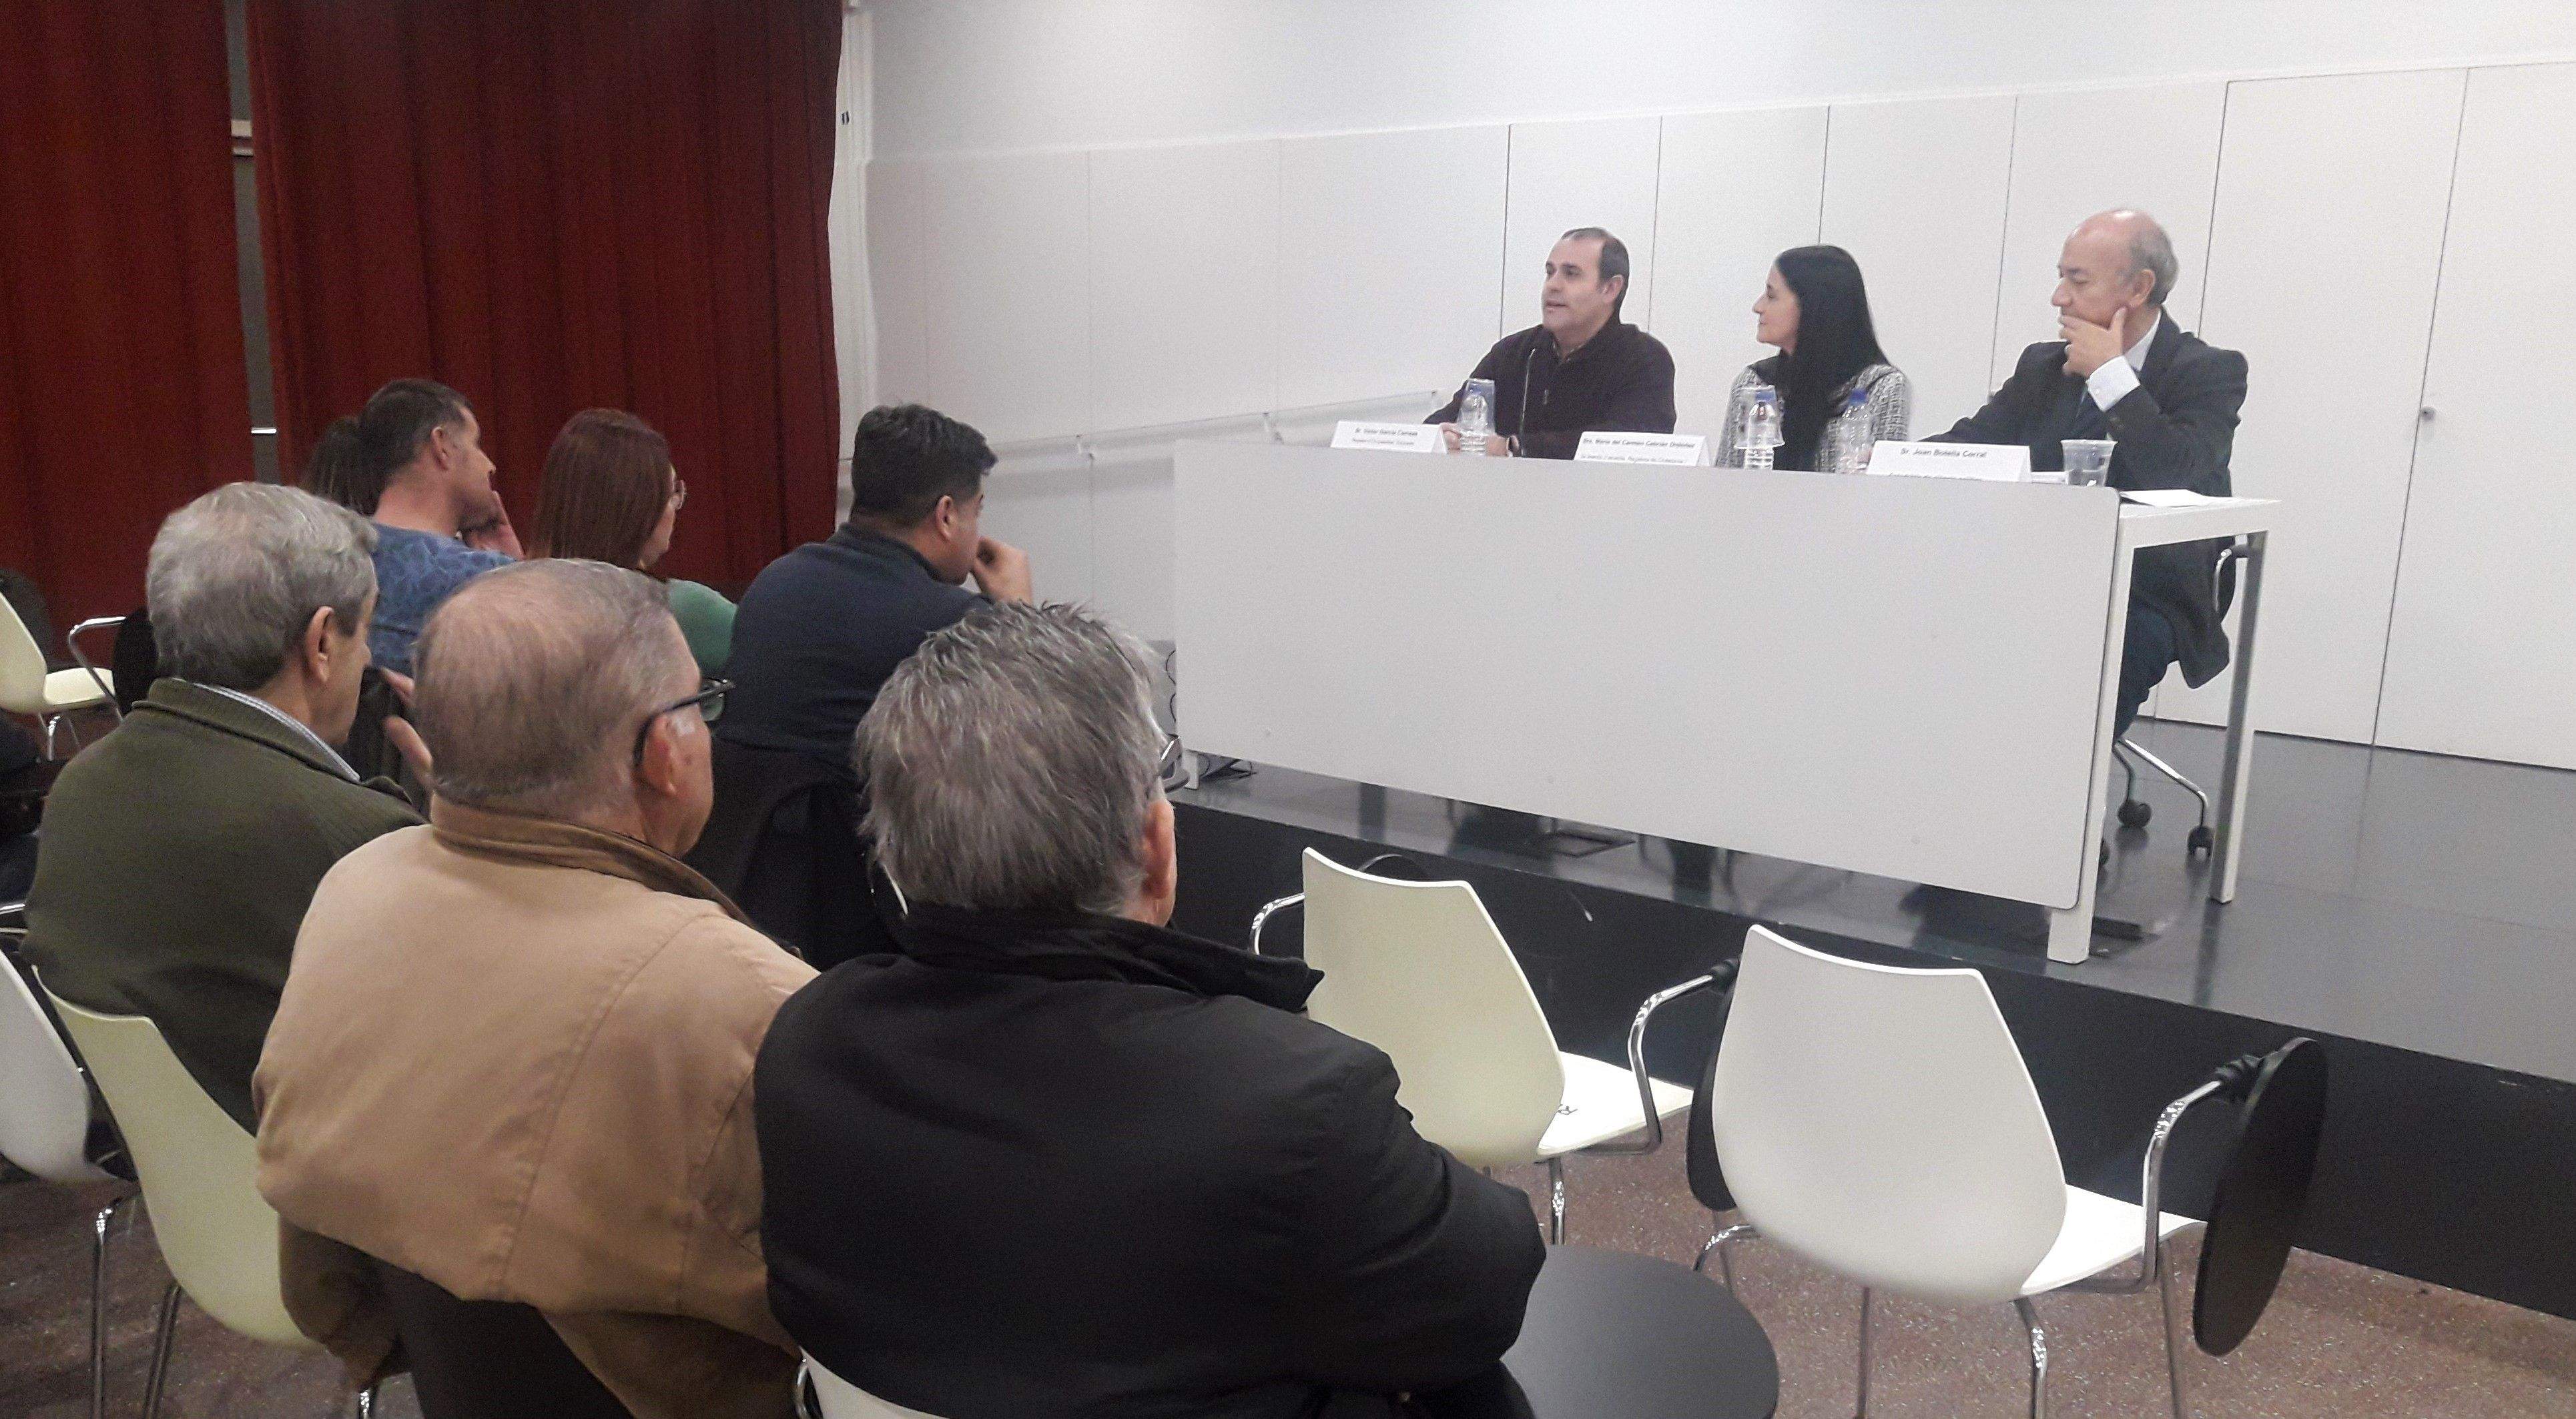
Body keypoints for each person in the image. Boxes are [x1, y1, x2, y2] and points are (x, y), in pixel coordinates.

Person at [756, 603, 1546, 1418]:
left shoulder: (805, 1044)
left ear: (895, 858)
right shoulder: (1288, 1106)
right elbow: (1487, 1288)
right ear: (1154, 847)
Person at [254, 560, 814, 1419]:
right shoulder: (744, 1001)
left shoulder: (351, 891)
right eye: (700, 706)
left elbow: (331, 1291)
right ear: (663, 752)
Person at [21, 485, 420, 1129]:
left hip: (171, 1173)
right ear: (321, 643)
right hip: (328, 1203)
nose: (369, 657)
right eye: (365, 630)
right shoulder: (360, 840)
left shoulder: (77, 786)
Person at [1932, 209, 2250, 733]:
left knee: (2106, 663)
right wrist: (1886, 459)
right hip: (2036, 574)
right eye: (2062, 277)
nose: (2059, 297)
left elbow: (2178, 468)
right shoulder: (2043, 365)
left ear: (2139, 288)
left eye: (2077, 280)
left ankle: (2064, 796)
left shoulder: (2208, 371)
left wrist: (2110, 376)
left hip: (2147, 588)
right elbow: (1974, 439)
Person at [717, 403, 1030, 780]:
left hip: (745, 836)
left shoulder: (772, 584)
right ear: (946, 516)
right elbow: (1032, 751)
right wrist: (1018, 619)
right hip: (866, 837)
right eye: (976, 512)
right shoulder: (956, 626)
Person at [309, 378, 519, 674]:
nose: (489, 465)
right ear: (442, 445)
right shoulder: (483, 578)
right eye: (476, 443)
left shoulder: (321, 562)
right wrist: (518, 573)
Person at [1428, 226, 1676, 459]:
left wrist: (1513, 448)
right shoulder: (1516, 352)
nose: (1553, 286)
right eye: (1550, 272)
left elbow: (1633, 444)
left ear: (1610, 288)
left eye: (1571, 274)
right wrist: (1444, 436)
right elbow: (1449, 420)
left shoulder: (1645, 359)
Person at [533, 408, 735, 675]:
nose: (676, 507)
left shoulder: (511, 613)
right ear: (638, 510)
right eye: (672, 491)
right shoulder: (686, 610)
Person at [1719, 246, 1910, 471]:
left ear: (1813, 305)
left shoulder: (1880, 388)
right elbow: (1725, 482)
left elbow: (1882, 492)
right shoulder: (1754, 384)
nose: (1758, 307)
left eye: (1772, 296)